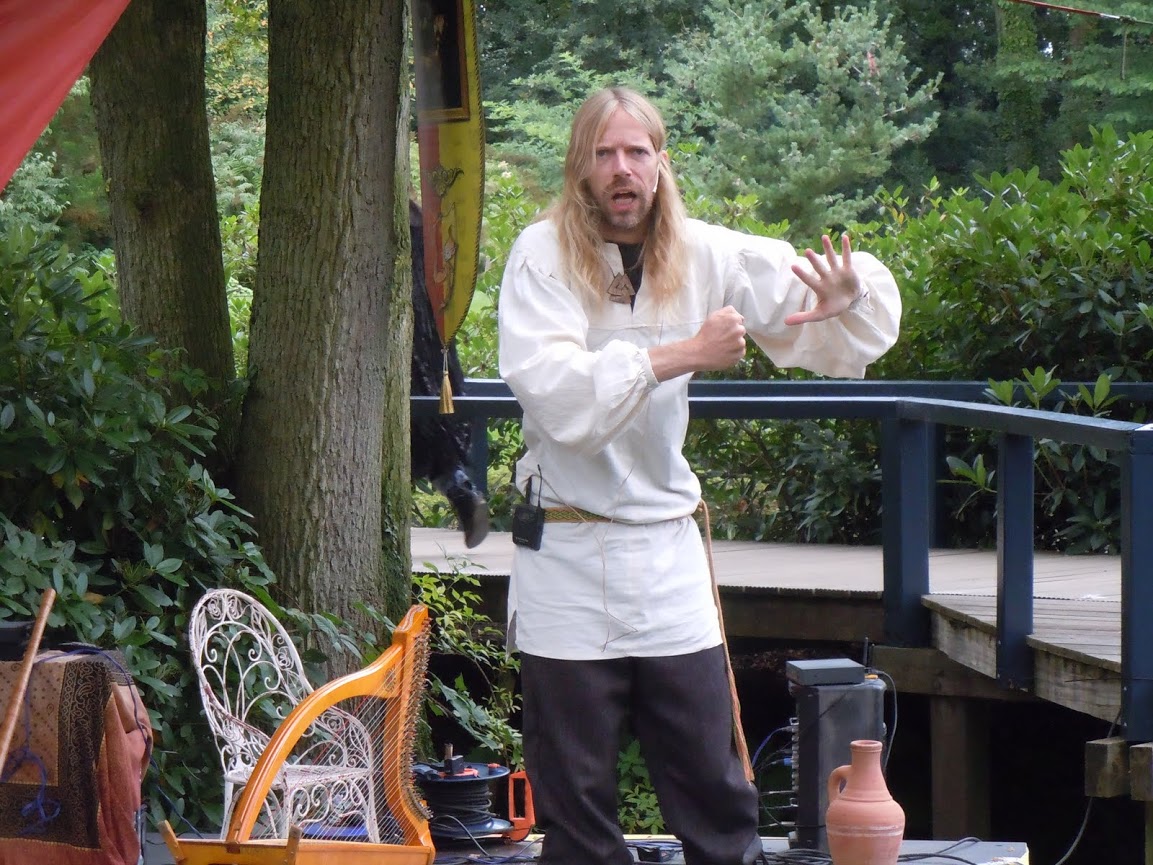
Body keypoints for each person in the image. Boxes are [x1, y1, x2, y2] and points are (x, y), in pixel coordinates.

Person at [496, 86, 902, 865]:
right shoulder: (540, 255)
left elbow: (818, 301)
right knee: (574, 797)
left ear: (659, 162)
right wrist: (681, 353)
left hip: (664, 556)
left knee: (712, 786)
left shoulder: (706, 252)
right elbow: (554, 393)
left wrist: (847, 297)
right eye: (604, 153)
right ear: (579, 164)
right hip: (566, 554)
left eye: (636, 152)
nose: (621, 169)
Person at [409, 200, 488, 548]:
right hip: (432, 339)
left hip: (415, 341)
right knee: (434, 422)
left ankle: (459, 487)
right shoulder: (425, 225)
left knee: (425, 416)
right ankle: (459, 487)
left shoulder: (408, 225)